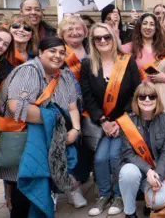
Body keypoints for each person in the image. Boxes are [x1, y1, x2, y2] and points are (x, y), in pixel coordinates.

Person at [0, 36, 81, 217]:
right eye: (52, 51)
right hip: (25, 142)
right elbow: (17, 107)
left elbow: (72, 107)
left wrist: (75, 129)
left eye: (61, 52)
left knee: (44, 191)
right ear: (41, 52)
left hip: (51, 142)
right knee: (25, 194)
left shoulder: (65, 76)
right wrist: (57, 122)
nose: (57, 56)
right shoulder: (28, 71)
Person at [80, 23, 141, 216]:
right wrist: (103, 120)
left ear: (113, 38)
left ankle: (118, 195)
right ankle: (104, 195)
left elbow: (136, 92)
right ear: (93, 41)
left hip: (125, 120)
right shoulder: (88, 63)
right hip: (102, 123)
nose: (103, 41)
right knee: (100, 159)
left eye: (106, 36)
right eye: (98, 38)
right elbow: (87, 95)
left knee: (115, 156)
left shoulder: (127, 60)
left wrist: (121, 119)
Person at [117, 82, 165, 218]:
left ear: (157, 99)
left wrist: (158, 176)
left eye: (151, 96)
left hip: (158, 169)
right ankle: (129, 213)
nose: (147, 100)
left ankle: (149, 203)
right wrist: (147, 170)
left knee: (160, 201)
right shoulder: (128, 122)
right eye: (142, 97)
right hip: (137, 168)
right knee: (128, 173)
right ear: (136, 100)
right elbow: (127, 153)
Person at [57, 15, 91, 208]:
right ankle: (72, 189)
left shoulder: (91, 48)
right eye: (69, 29)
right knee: (70, 148)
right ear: (62, 33)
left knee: (86, 147)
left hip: (90, 105)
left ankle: (81, 179)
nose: (75, 32)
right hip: (67, 106)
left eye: (78, 28)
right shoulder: (59, 51)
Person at [0, 16, 39, 85]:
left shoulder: (37, 58)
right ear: (9, 30)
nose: (21, 30)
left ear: (31, 35)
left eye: (27, 28)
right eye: (16, 26)